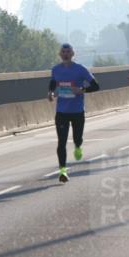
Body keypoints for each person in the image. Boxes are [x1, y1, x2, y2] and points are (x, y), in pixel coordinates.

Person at [47, 43, 100, 181]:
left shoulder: (80, 69)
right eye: (63, 51)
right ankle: (63, 171)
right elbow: (53, 83)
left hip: (77, 111)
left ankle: (78, 146)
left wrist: (82, 90)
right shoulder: (55, 69)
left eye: (68, 51)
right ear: (60, 54)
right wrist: (51, 93)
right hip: (61, 112)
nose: (65, 54)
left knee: (77, 138)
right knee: (61, 142)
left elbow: (96, 86)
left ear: (72, 54)